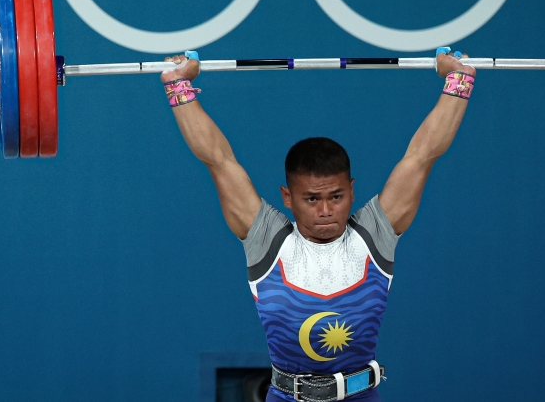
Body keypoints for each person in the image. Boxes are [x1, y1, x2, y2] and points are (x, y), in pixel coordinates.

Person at [161, 50, 476, 402]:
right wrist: (178, 84)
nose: (326, 210)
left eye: (337, 197)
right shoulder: (267, 240)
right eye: (312, 199)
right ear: (287, 197)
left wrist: (458, 79)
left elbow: (423, 154)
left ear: (353, 190)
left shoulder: (374, 234)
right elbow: (218, 159)